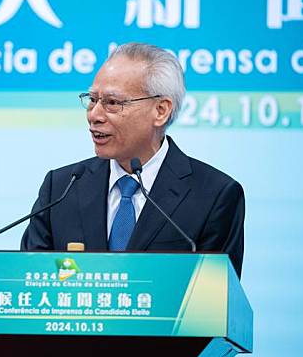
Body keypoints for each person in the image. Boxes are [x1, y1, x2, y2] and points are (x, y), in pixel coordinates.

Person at [21, 42, 245, 278]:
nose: (94, 115)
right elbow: (32, 282)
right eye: (92, 99)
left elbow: (215, 302)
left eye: (112, 103)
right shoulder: (61, 188)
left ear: (160, 110)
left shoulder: (214, 196)